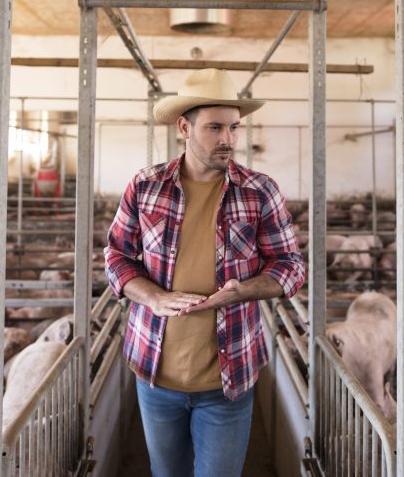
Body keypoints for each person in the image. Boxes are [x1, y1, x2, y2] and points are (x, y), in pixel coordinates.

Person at [104, 68, 305, 477]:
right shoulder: (145, 186)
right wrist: (154, 297)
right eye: (214, 127)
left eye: (234, 127)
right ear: (184, 127)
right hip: (156, 373)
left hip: (227, 380)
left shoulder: (259, 190)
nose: (228, 139)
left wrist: (244, 290)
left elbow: (291, 267)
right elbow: (116, 257)